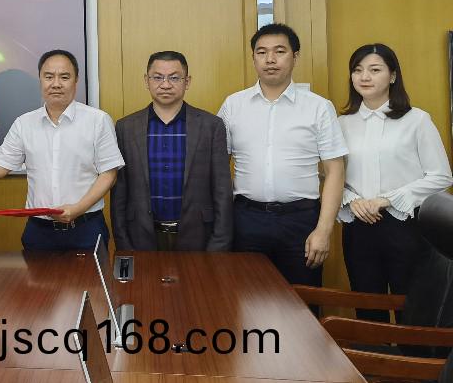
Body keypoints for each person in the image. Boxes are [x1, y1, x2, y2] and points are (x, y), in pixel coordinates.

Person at [0, 50, 124, 251]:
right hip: (39, 231)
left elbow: (109, 174)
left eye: (64, 77)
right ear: (40, 80)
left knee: (90, 274)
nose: (56, 84)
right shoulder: (24, 124)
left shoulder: (98, 120)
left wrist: (77, 209)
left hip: (85, 227)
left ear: (76, 80)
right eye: (49, 77)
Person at [218, 23, 347, 286]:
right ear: (253, 57)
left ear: (295, 56)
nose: (270, 59)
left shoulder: (319, 107)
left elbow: (335, 170)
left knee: (302, 302)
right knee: (247, 300)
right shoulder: (233, 105)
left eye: (279, 51)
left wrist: (324, 230)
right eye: (262, 52)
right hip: (246, 220)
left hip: (301, 221)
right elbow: (217, 165)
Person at [338, 43, 453, 321]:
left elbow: (441, 176)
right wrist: (352, 200)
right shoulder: (342, 123)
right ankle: (372, 351)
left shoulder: (417, 120)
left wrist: (387, 199)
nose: (365, 77)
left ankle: (410, 351)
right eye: (358, 70)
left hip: (405, 227)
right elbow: (332, 175)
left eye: (374, 70)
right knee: (367, 307)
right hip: (358, 227)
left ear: (392, 76)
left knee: (410, 308)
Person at [111, 51, 232, 252]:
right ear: (146, 80)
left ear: (187, 82)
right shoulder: (126, 127)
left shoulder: (211, 126)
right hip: (140, 236)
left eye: (174, 78)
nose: (165, 85)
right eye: (157, 77)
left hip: (198, 236)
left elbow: (222, 190)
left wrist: (219, 244)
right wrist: (123, 242)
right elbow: (119, 193)